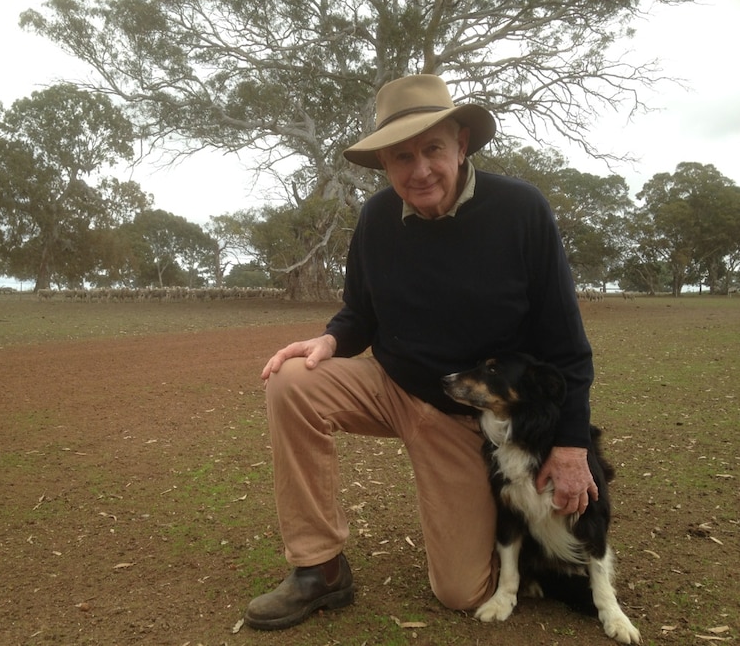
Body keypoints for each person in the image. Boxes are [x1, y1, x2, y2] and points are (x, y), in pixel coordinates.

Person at [244, 74, 597, 631]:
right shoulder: (377, 219)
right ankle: (319, 570)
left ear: (461, 144)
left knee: (461, 591)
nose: (420, 169)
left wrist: (572, 446)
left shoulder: (521, 211)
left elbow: (567, 348)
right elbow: (360, 313)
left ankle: (508, 535)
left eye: (432, 148)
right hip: (392, 385)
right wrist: (330, 339)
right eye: (401, 156)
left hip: (467, 416)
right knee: (292, 380)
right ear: (385, 163)